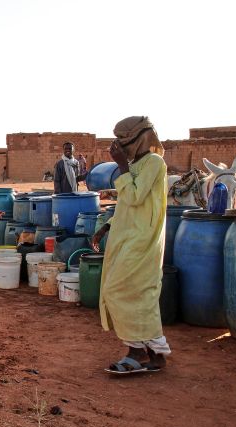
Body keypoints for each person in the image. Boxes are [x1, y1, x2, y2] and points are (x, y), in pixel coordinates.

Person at [91, 116, 170, 375]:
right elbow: (128, 204)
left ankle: (137, 351)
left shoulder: (154, 163)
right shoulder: (136, 165)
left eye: (123, 141)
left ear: (140, 138)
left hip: (142, 239)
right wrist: (106, 226)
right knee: (139, 293)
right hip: (127, 236)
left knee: (119, 290)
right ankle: (155, 354)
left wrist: (122, 166)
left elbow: (135, 196)